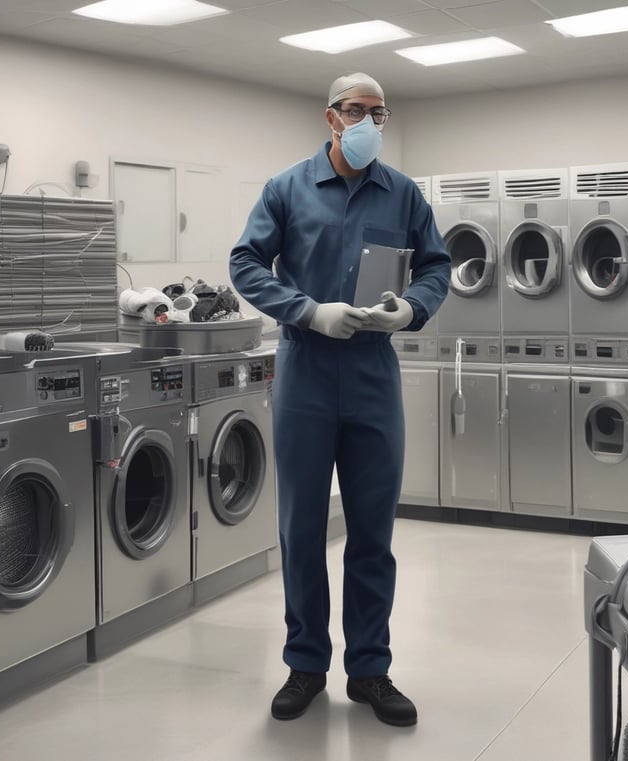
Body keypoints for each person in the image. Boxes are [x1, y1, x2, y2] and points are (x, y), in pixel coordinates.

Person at [229, 72, 450, 727]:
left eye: (378, 114)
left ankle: (371, 670)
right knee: (301, 529)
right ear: (330, 117)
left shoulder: (403, 194)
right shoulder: (288, 189)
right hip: (306, 372)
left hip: (373, 375)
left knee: (372, 534)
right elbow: (245, 263)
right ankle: (305, 665)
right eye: (357, 111)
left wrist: (408, 308)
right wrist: (306, 310)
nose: (368, 123)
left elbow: (437, 266)